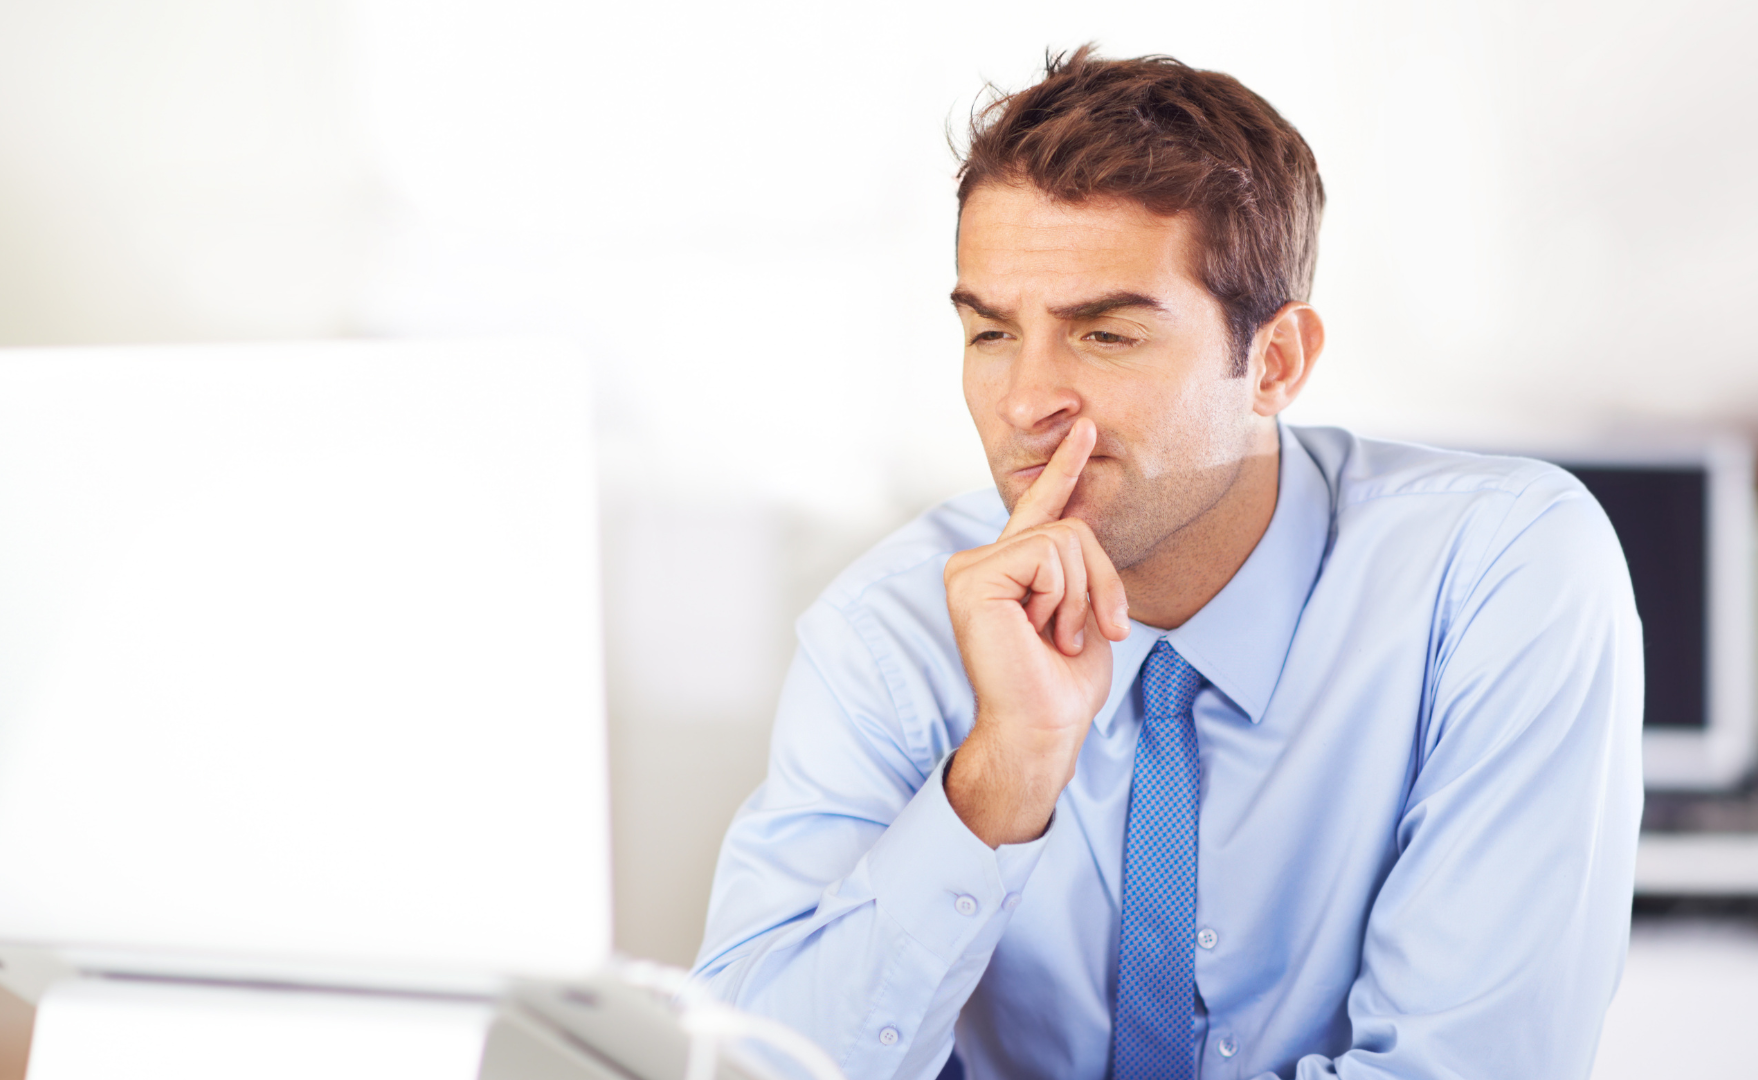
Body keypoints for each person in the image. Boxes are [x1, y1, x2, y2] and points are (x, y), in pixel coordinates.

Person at [691, 46, 1643, 1080]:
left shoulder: (1499, 573)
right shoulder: (887, 632)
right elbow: (752, 1067)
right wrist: (1004, 773)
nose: (1024, 403)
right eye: (991, 334)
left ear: (1274, 363)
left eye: (1103, 336)